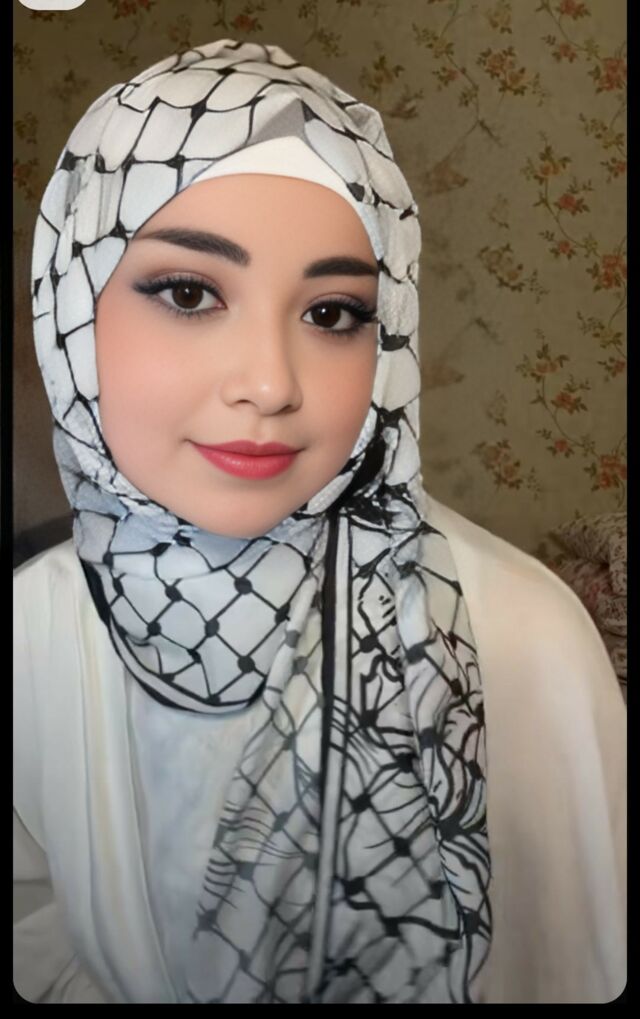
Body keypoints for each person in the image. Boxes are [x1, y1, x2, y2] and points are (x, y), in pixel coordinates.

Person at [13, 39, 626, 1004]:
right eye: (189, 293)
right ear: (71, 310)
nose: (270, 383)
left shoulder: (519, 637)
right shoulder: (29, 631)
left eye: (334, 313)